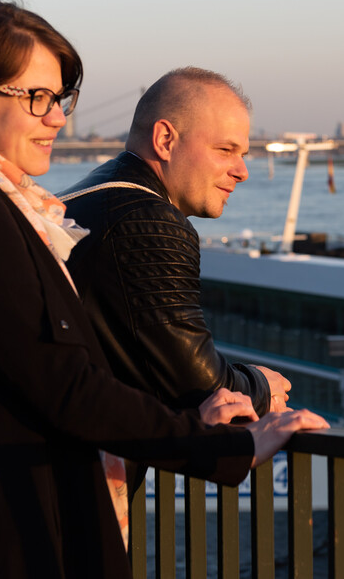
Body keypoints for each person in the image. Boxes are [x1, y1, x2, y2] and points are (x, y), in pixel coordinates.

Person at [0, 0, 328, 579]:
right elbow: (64, 384)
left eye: (60, 99)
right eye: (35, 98)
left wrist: (188, 419)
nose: (57, 119)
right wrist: (229, 450)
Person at [60, 68, 290, 421]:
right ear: (165, 140)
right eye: (226, 149)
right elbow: (198, 386)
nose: (242, 171)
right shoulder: (149, 220)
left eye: (242, 153)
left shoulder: (84, 198)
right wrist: (261, 387)